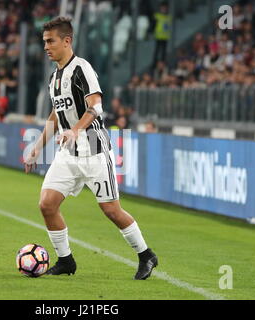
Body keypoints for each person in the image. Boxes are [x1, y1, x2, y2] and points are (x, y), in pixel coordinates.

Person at [24, 17, 158, 280]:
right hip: (68, 152)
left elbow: (96, 106)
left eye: (51, 41)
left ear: (67, 40)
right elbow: (55, 114)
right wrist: (38, 147)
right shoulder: (54, 77)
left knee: (111, 210)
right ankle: (66, 261)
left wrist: (76, 129)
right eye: (44, 42)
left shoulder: (81, 68)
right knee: (47, 204)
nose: (46, 47)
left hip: (95, 149)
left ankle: (146, 255)